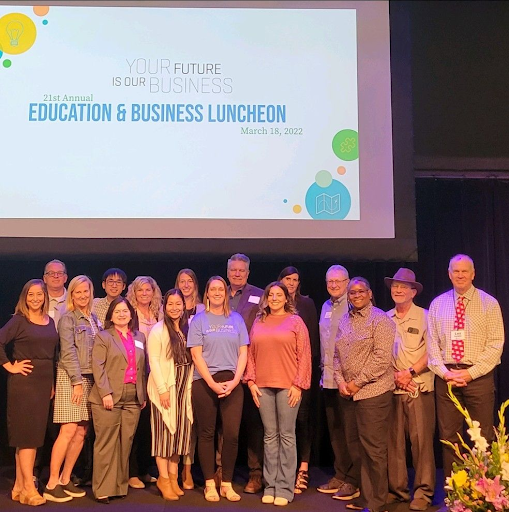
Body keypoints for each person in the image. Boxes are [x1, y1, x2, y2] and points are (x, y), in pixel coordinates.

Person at [427, 254, 505, 480]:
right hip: (446, 379)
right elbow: (432, 348)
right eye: (455, 271)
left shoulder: (488, 303)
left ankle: (484, 492)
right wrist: (447, 374)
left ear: (473, 274)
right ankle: (455, 492)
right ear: (449, 274)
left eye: (465, 271)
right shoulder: (437, 304)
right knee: (449, 438)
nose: (460, 275)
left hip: (478, 378)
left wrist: (469, 374)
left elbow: (495, 345)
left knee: (482, 438)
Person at [246, 281, 312, 506]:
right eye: (270, 294)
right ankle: (270, 485)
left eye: (278, 295)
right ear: (266, 298)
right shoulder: (259, 321)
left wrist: (298, 385)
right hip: (262, 386)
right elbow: (250, 354)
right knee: (269, 436)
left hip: (288, 386)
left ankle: (284, 488)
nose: (274, 298)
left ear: (286, 298)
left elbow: (304, 355)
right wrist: (251, 382)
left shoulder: (296, 322)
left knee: (287, 436)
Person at [333, 277, 395, 512]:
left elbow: (381, 358)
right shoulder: (345, 320)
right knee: (356, 447)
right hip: (349, 393)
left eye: (361, 291)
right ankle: (365, 496)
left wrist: (357, 384)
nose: (356, 295)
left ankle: (377, 503)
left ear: (369, 293)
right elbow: (336, 355)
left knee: (374, 450)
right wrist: (340, 381)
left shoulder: (380, 319)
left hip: (373, 392)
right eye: (352, 292)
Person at [188, 276, 249, 502]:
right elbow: (196, 355)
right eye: (212, 289)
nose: (216, 293)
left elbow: (244, 352)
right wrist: (212, 384)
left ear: (225, 293)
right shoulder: (198, 321)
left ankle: (226, 483)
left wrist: (235, 381)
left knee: (232, 434)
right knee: (206, 433)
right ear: (207, 293)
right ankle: (209, 484)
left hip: (232, 381)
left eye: (220, 289)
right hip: (205, 382)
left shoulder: (237, 319)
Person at [0, 279, 59, 506]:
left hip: (44, 383)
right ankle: (28, 488)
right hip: (24, 385)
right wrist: (10, 365)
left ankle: (17, 486)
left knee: (31, 437)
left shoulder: (50, 321)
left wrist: (51, 382)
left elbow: (52, 355)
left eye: (39, 294)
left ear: (45, 296)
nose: (35, 299)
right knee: (28, 438)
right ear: (25, 297)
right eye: (31, 295)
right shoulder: (19, 321)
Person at [43, 276, 100, 503]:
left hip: (89, 379)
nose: (82, 296)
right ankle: (51, 483)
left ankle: (66, 479)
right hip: (71, 378)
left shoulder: (94, 318)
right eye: (78, 292)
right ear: (71, 295)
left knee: (81, 432)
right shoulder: (68, 319)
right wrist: (76, 382)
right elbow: (67, 353)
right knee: (67, 431)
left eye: (86, 291)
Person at [385, 268, 435, 511]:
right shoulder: (384, 318)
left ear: (413, 291)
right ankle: (397, 491)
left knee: (421, 444)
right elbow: (379, 354)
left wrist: (410, 373)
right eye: (395, 285)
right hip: (392, 387)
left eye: (403, 286)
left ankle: (423, 493)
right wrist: (395, 376)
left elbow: (434, 351)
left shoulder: (427, 316)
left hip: (418, 387)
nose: (398, 289)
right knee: (393, 444)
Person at [89, 297, 147, 503]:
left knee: (125, 443)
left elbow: (142, 368)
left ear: (131, 314)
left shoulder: (139, 336)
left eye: (125, 311)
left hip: (133, 398)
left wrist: (142, 394)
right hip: (109, 397)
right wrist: (105, 392)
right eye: (118, 312)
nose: (122, 314)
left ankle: (119, 487)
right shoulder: (104, 337)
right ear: (111, 316)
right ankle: (102, 488)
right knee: (106, 444)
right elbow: (98, 365)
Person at [317, 265, 358, 501]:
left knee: (351, 432)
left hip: (348, 380)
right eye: (330, 282)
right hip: (328, 379)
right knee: (335, 431)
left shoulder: (353, 305)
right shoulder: (325, 306)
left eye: (338, 281)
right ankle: (340, 474)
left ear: (347, 281)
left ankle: (354, 479)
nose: (333, 285)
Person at [147, 289, 193, 501]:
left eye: (178, 304)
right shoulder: (158, 330)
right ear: (164, 307)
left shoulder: (186, 328)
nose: (175, 308)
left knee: (180, 434)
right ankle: (163, 479)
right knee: (164, 435)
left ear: (184, 306)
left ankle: (174, 477)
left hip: (184, 386)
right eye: (170, 304)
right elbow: (154, 361)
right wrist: (163, 389)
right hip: (166, 385)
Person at [277, 266, 318, 495]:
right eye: (287, 279)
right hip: (278, 374)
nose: (291, 283)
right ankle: (283, 470)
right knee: (281, 425)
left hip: (300, 375)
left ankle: (302, 469)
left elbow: (310, 344)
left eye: (295, 279)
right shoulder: (273, 303)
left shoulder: (306, 305)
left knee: (302, 421)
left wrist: (302, 377)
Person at [226, 253, 264, 494]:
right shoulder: (217, 293)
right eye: (233, 270)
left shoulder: (260, 295)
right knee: (224, 425)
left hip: (251, 367)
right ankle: (222, 470)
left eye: (241, 270)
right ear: (228, 271)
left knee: (253, 424)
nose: (237, 273)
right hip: (224, 367)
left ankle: (255, 474)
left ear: (248, 273)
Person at [126, 276, 163, 489]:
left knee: (150, 426)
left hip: (155, 375)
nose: (144, 294)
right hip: (136, 375)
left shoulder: (158, 314)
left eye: (148, 290)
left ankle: (145, 469)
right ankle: (131, 473)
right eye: (140, 291)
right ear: (134, 293)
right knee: (136, 425)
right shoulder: (130, 314)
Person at [175, 268, 203, 487]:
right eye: (182, 281)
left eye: (189, 281)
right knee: (176, 422)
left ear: (195, 284)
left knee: (191, 422)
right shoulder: (172, 308)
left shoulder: (203, 308)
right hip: (176, 373)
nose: (185, 285)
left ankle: (188, 469)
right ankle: (172, 469)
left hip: (198, 372)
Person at [43, 259, 68, 326]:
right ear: (45, 278)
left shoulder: (74, 300)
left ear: (65, 278)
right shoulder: (38, 301)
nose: (56, 276)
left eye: (60, 273)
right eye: (51, 273)